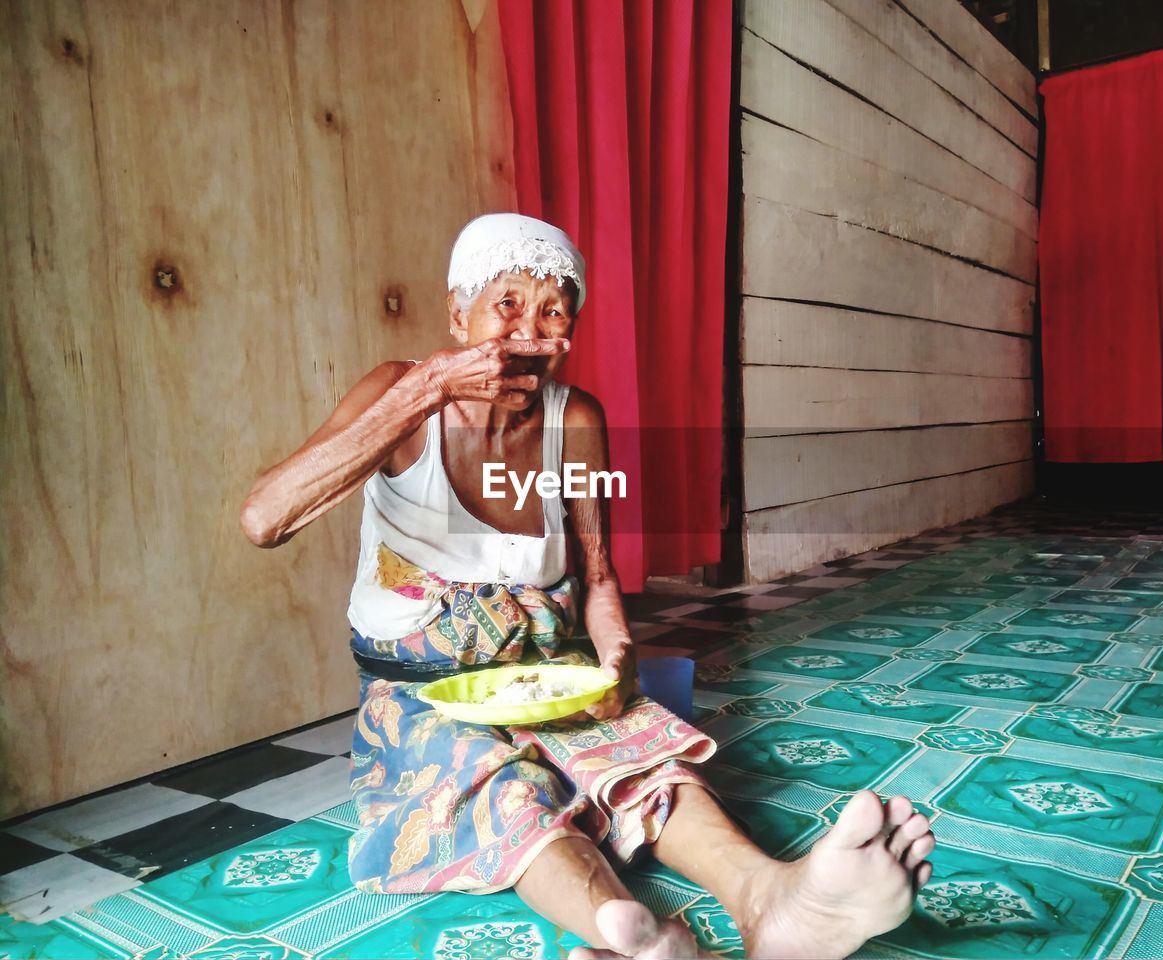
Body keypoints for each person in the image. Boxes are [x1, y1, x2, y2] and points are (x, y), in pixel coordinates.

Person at [239, 214, 935, 958]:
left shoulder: (576, 421)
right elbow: (264, 518)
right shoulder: (400, 396)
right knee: (494, 784)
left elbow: (598, 577)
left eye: (554, 313)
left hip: (547, 679)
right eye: (508, 304)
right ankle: (634, 936)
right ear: (456, 313)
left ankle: (772, 903)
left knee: (637, 754)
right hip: (420, 695)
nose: (532, 333)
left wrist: (616, 655)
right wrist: (430, 386)